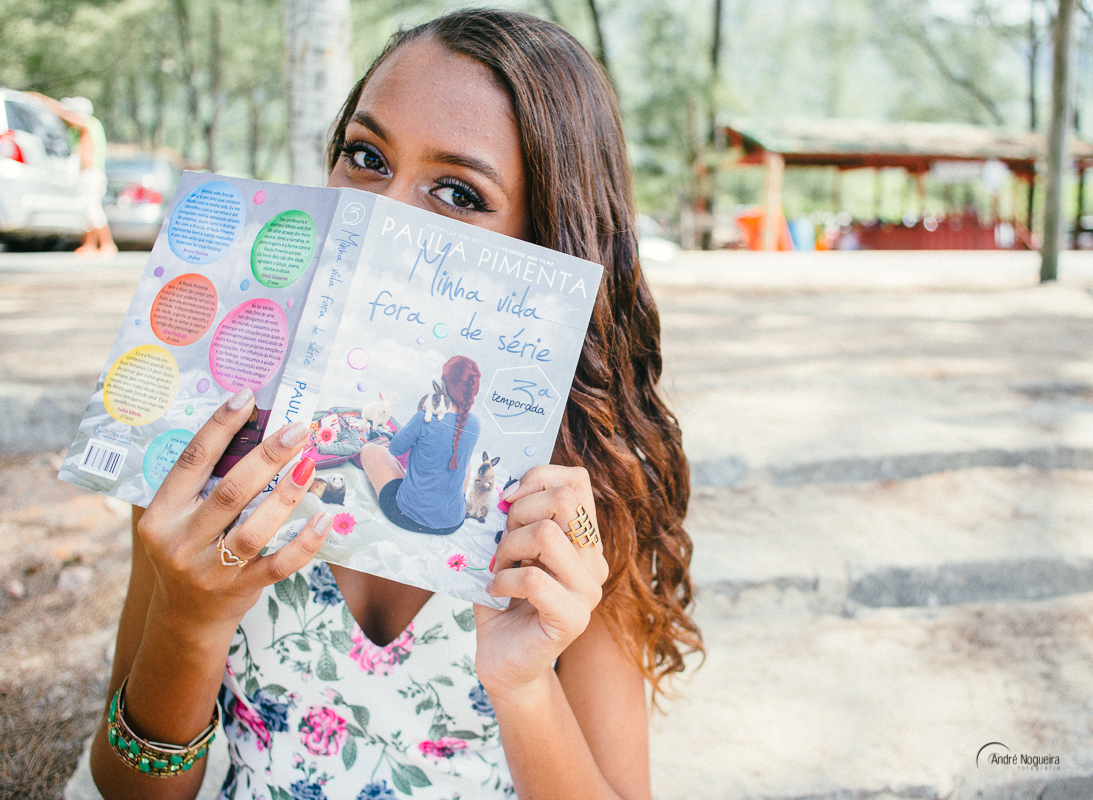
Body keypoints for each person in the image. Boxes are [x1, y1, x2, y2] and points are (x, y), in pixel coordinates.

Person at [89, 10, 700, 799]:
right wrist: (188, 623)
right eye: (366, 156)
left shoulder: (579, 496)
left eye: (456, 192)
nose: (385, 212)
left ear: (548, 242)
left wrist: (522, 685)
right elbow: (127, 788)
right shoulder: (216, 435)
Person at [360, 355, 482, 535]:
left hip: (406, 515)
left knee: (369, 450)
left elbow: (395, 449)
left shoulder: (424, 418)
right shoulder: (474, 424)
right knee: (465, 460)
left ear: (442, 384)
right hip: (452, 522)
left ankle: (410, 488)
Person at [28, 93, 117, 255]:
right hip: (86, 174)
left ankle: (107, 244)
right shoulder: (80, 130)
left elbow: (65, 114)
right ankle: (90, 245)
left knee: (93, 208)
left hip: (92, 173)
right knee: (87, 210)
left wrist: (42, 100)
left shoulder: (89, 124)